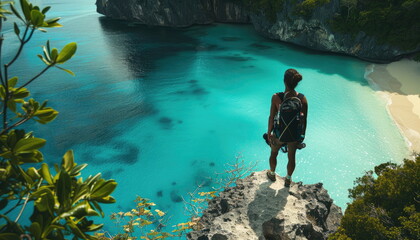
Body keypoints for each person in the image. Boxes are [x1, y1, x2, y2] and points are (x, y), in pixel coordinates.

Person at [266, 68, 308, 187]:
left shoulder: (276, 97)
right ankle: (288, 179)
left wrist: (269, 132)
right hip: (293, 135)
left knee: (274, 153)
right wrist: (301, 136)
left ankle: (272, 173)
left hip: (279, 133)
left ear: (284, 81)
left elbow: (271, 116)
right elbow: (304, 120)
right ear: (296, 83)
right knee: (291, 157)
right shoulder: (302, 99)